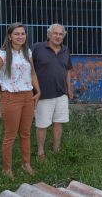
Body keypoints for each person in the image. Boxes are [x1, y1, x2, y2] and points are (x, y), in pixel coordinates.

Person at [0, 23, 41, 180]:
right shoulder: (2, 54)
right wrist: (2, 91)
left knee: (25, 133)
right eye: (16, 34)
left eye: (23, 33)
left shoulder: (27, 52)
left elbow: (33, 73)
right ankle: (7, 169)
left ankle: (26, 164)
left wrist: (38, 91)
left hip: (28, 97)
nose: (20, 36)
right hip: (11, 98)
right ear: (9, 36)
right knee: (10, 135)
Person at [32, 23, 73, 160]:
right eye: (55, 33)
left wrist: (69, 89)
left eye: (61, 34)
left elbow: (67, 70)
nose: (58, 36)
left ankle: (56, 149)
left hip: (62, 94)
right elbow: (29, 69)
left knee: (58, 123)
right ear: (49, 34)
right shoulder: (37, 48)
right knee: (42, 124)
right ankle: (41, 152)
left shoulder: (66, 50)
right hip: (43, 94)